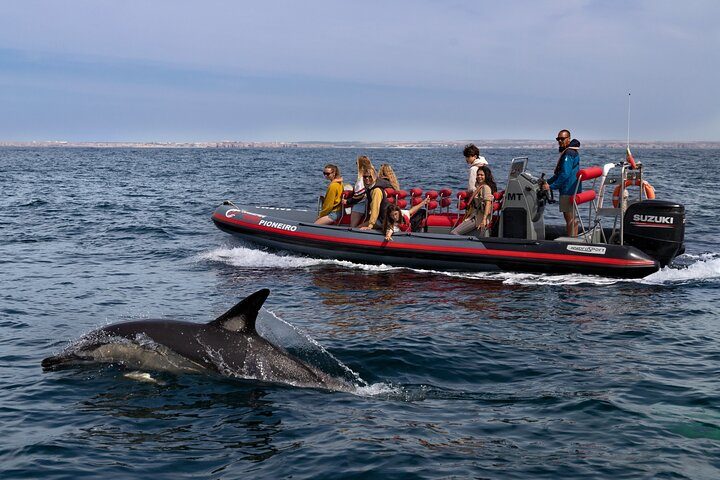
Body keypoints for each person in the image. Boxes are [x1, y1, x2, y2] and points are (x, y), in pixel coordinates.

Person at [544, 130, 581, 236]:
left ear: (569, 139)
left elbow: (565, 174)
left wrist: (551, 186)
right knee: (572, 217)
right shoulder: (572, 151)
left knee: (569, 217)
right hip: (573, 188)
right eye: (558, 139)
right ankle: (574, 237)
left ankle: (571, 240)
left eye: (562, 139)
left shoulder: (568, 153)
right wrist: (547, 182)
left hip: (568, 189)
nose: (560, 141)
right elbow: (559, 174)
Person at [451, 165, 497, 236]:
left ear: (486, 176)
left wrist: (484, 220)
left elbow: (488, 204)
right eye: (478, 175)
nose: (479, 176)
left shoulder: (486, 187)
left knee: (454, 233)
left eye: (482, 175)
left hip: (478, 218)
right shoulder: (479, 187)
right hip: (474, 215)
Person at [346, 155, 374, 227]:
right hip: (368, 205)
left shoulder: (361, 178)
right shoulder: (372, 176)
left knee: (353, 226)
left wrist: (347, 201)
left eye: (356, 163)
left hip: (360, 205)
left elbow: (360, 195)